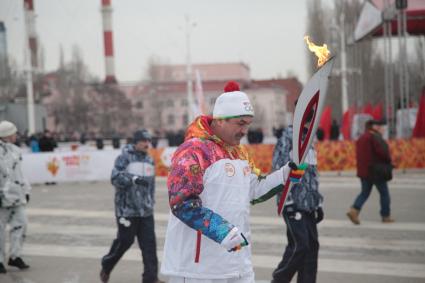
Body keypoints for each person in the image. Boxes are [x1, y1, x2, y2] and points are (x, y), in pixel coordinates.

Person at [161, 81, 306, 283]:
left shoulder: (240, 153)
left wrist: (284, 175)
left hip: (237, 262)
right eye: (240, 124)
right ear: (220, 120)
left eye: (247, 124)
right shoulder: (194, 150)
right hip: (198, 268)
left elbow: (253, 191)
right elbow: (181, 202)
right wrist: (222, 230)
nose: (245, 130)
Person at [100, 129, 163, 283]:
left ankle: (150, 278)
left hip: (146, 211)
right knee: (125, 241)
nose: (146, 144)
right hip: (127, 210)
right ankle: (107, 264)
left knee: (149, 245)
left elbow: (151, 184)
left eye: (148, 141)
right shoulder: (124, 158)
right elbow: (115, 178)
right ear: (135, 142)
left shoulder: (149, 160)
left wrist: (150, 200)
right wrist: (133, 179)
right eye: (143, 140)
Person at [271, 102, 323, 283]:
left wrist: (318, 202)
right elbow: (278, 170)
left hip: (308, 203)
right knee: (299, 246)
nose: (310, 114)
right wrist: (288, 201)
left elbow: (312, 173)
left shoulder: (309, 138)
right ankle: (278, 280)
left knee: (312, 247)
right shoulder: (288, 137)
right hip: (293, 202)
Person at [347, 119, 394, 224]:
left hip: (364, 172)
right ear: (375, 127)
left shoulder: (362, 138)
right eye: (381, 127)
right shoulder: (374, 137)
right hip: (376, 171)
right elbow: (383, 153)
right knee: (384, 193)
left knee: (364, 193)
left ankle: (354, 210)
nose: (382, 129)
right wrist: (389, 161)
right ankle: (385, 216)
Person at [0, 121, 31, 273]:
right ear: (6, 134)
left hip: (17, 196)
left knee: (21, 224)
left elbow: (19, 173)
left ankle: (15, 256)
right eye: (13, 132)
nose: (16, 135)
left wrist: (26, 190)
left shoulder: (16, 151)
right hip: (1, 198)